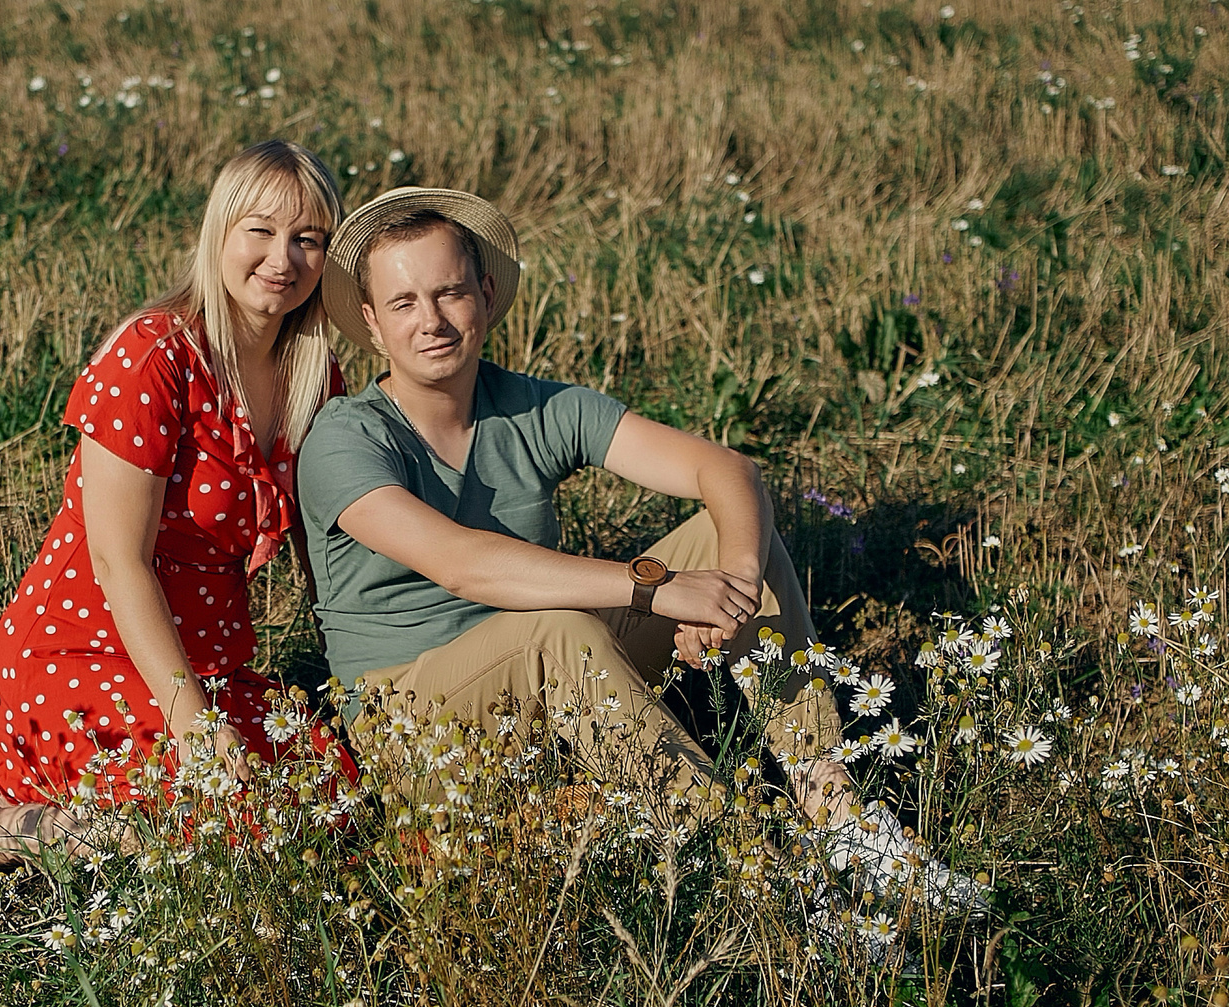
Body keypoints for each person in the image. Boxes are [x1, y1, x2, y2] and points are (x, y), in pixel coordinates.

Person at [296, 186, 981, 911]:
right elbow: (461, 562)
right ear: (371, 323)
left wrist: (736, 583)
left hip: (551, 676)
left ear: (485, 294)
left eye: (448, 292)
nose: (430, 320)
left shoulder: (533, 406)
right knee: (557, 628)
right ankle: (765, 880)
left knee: (729, 529)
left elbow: (728, 469)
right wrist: (655, 587)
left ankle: (845, 823)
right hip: (418, 724)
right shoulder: (346, 436)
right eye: (403, 303)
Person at [0, 140, 348, 873]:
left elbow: (319, 551)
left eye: (309, 239)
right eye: (261, 230)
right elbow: (117, 560)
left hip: (205, 670)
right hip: (75, 663)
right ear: (220, 234)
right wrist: (195, 725)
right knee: (216, 831)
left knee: (328, 800)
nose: (283, 257)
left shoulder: (312, 375)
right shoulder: (155, 356)